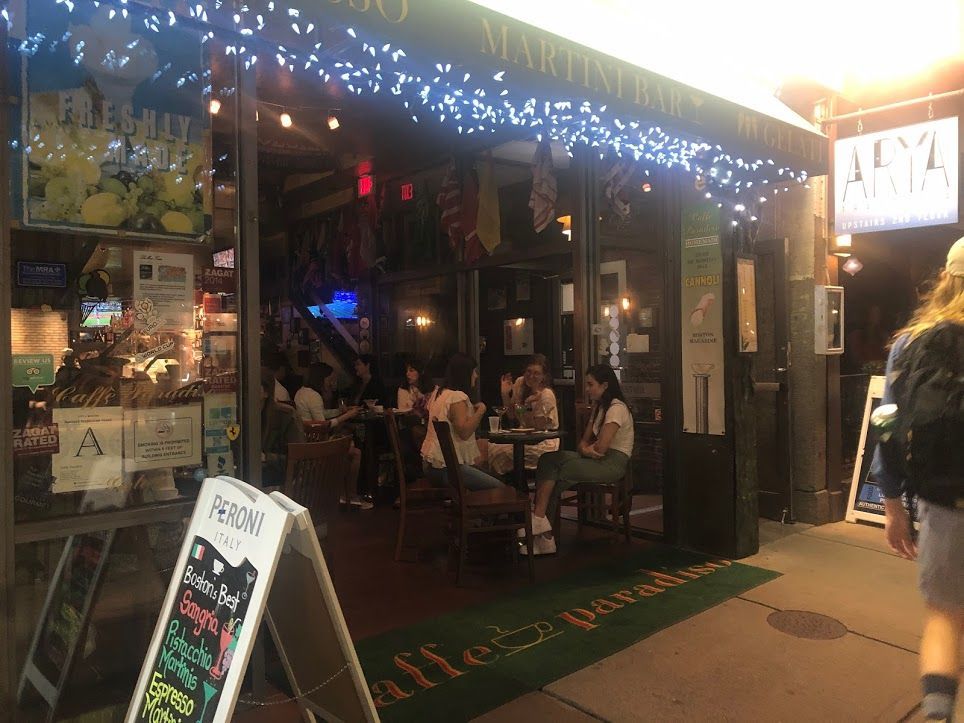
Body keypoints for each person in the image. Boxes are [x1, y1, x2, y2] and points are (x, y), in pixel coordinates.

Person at [871, 237, 964, 722]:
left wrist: (891, 504)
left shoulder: (911, 343)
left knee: (944, 617)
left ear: (946, 278)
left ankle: (937, 713)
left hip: (946, 504)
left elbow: (886, 422)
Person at [526, 364, 634, 555]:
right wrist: (587, 450)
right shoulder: (599, 407)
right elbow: (583, 444)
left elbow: (601, 448)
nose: (587, 389)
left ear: (605, 385)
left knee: (557, 473)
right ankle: (540, 523)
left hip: (612, 464)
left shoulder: (616, 408)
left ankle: (544, 534)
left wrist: (588, 450)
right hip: (595, 459)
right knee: (547, 459)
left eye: (591, 384)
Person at [420, 353, 505, 491]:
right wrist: (481, 410)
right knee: (501, 488)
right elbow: (464, 432)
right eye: (474, 371)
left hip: (432, 466)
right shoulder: (457, 397)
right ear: (465, 374)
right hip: (446, 469)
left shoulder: (440, 393)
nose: (476, 376)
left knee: (494, 477)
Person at [293, 363, 371, 510]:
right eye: (330, 379)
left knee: (348, 443)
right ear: (322, 378)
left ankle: (341, 494)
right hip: (316, 445)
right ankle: (349, 495)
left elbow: (320, 414)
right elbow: (324, 425)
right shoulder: (314, 396)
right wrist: (347, 415)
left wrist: (340, 411)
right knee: (355, 452)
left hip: (306, 441)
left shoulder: (301, 392)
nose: (331, 382)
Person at [489, 354, 560, 476]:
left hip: (543, 445)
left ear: (544, 376)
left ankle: (500, 485)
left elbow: (538, 428)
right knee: (484, 445)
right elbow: (511, 415)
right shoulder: (520, 383)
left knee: (493, 451)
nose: (531, 376)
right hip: (522, 441)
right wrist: (505, 394)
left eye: (536, 373)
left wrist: (528, 404)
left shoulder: (546, 394)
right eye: (528, 371)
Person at [260, 367, 304, 486]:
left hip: (276, 481)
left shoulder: (286, 415)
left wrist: (266, 457)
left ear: (266, 392)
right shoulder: (239, 416)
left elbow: (299, 459)